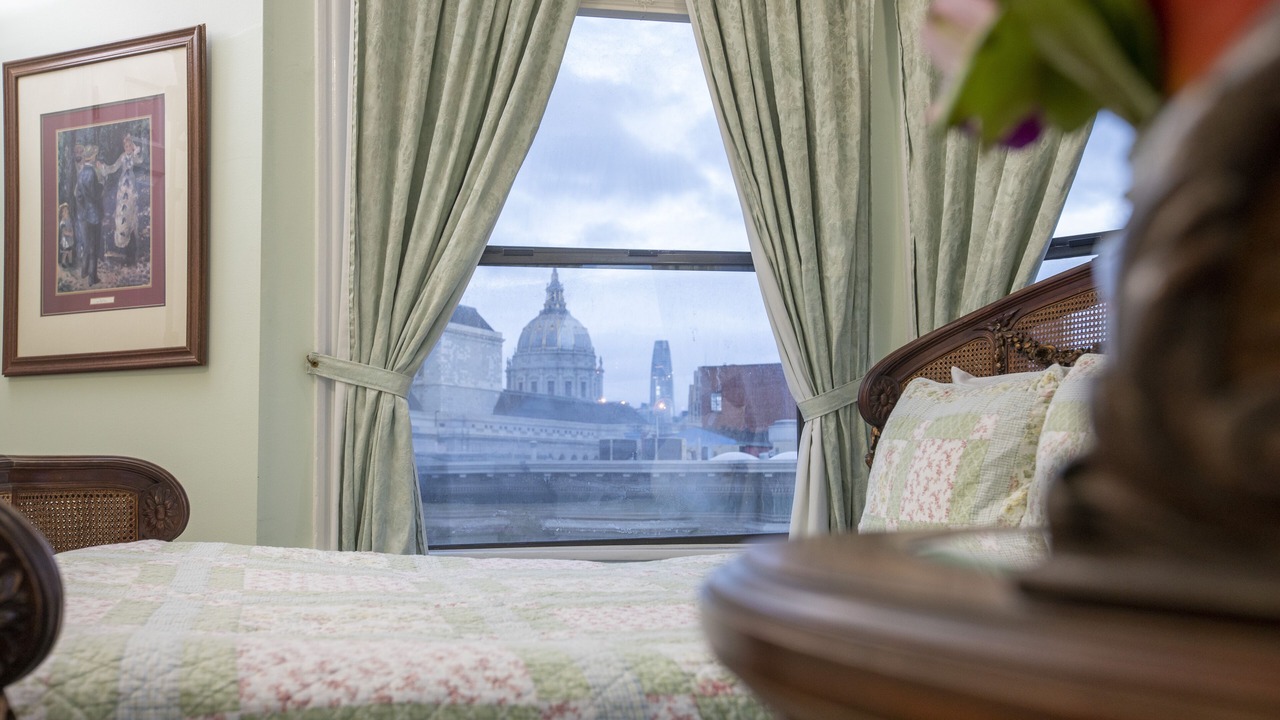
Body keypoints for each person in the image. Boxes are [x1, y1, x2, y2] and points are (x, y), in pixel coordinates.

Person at [97, 133, 145, 266]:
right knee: (121, 217)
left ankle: (132, 253)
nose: (127, 147)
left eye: (129, 145)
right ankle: (122, 249)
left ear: (132, 146)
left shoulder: (133, 156)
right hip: (122, 188)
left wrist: (136, 151)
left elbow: (140, 160)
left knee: (130, 216)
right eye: (126, 145)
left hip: (131, 189)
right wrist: (103, 168)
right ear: (124, 147)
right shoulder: (122, 157)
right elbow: (113, 168)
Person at [73, 145, 103, 285]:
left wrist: (83, 207)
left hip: (82, 215)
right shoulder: (93, 173)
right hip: (93, 216)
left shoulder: (81, 172)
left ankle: (84, 271)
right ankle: (92, 277)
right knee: (94, 247)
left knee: (86, 244)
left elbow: (78, 195)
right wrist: (103, 182)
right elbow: (96, 195)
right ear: (93, 157)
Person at [57, 203, 74, 268]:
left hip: (70, 238)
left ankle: (70, 262)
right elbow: (64, 232)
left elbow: (71, 226)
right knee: (65, 251)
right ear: (62, 214)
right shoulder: (62, 222)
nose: (66, 211)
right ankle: (63, 262)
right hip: (65, 239)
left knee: (70, 251)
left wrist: (72, 232)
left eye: (67, 210)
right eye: (64, 211)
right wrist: (70, 233)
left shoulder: (69, 219)